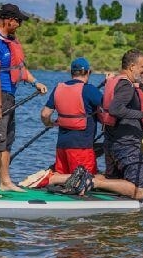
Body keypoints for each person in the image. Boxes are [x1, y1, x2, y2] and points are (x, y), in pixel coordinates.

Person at [0, 3, 47, 198]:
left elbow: (19, 69)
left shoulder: (9, 42)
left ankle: (5, 182)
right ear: (8, 20)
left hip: (8, 96)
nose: (20, 24)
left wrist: (35, 82)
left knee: (6, 142)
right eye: (18, 21)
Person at [20, 57, 103, 189]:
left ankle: (52, 179)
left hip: (62, 145)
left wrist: (49, 124)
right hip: (81, 146)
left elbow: (45, 114)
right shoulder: (89, 90)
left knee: (68, 178)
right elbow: (109, 108)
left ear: (71, 73)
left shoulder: (59, 88)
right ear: (88, 72)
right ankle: (49, 177)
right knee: (85, 179)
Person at [85, 49, 143, 200]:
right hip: (127, 145)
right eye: (142, 67)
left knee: (115, 180)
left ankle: (86, 179)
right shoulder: (126, 86)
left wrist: (142, 85)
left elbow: (129, 98)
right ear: (131, 67)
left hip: (113, 143)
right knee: (141, 190)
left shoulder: (116, 81)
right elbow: (117, 109)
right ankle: (93, 182)